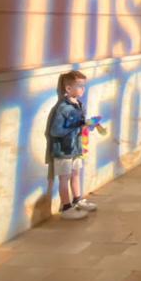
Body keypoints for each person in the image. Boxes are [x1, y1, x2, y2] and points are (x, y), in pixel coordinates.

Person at [47, 70, 98, 220]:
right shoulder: (63, 108)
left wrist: (86, 125)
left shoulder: (79, 105)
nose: (83, 89)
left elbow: (78, 125)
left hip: (75, 148)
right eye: (80, 86)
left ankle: (77, 199)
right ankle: (66, 206)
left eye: (84, 86)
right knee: (65, 178)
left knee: (76, 174)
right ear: (68, 89)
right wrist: (76, 126)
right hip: (64, 150)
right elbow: (55, 131)